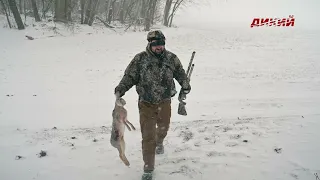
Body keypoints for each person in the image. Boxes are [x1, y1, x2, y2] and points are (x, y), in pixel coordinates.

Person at [114, 30, 191, 180]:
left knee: (163, 129)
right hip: (146, 104)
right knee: (148, 137)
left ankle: (160, 142)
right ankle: (148, 168)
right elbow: (129, 77)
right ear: (150, 44)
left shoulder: (171, 58)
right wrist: (120, 90)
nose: (159, 47)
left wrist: (186, 85)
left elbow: (180, 73)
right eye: (156, 44)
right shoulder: (140, 59)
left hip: (165, 101)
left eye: (161, 44)